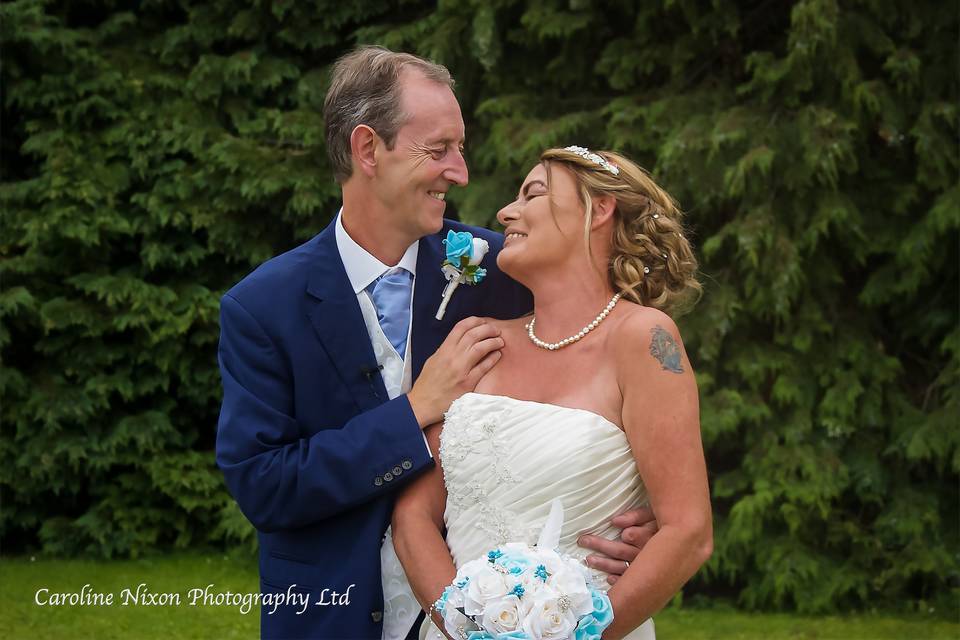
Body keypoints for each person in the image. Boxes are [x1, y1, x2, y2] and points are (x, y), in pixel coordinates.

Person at [215, 47, 655, 640]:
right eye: (438, 149)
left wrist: (634, 505)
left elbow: (610, 361)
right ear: (368, 149)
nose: (461, 172)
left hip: (502, 613)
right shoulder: (263, 306)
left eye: (461, 148)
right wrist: (415, 412)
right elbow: (266, 487)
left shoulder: (505, 269)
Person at [392, 147, 713, 640]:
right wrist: (462, 625)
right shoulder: (480, 342)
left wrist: (579, 636)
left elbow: (687, 532)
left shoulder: (645, 339)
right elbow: (414, 514)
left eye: (533, 193)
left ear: (599, 209)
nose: (505, 213)